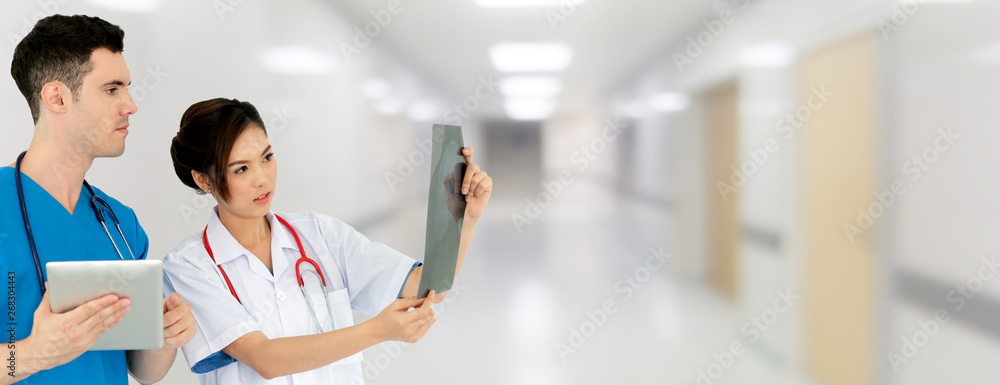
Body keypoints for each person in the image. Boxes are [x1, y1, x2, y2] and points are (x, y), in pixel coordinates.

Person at [164, 98, 492, 384]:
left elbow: (430, 288)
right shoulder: (190, 265)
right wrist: (377, 330)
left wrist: (463, 219)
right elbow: (264, 358)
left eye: (266, 157)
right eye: (240, 169)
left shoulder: (319, 233)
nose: (262, 178)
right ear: (203, 179)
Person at [0, 15, 196, 384]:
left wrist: (166, 338)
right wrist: (30, 355)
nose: (131, 105)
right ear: (56, 97)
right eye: (112, 89)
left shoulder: (120, 224)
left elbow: (142, 371)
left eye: (128, 88)